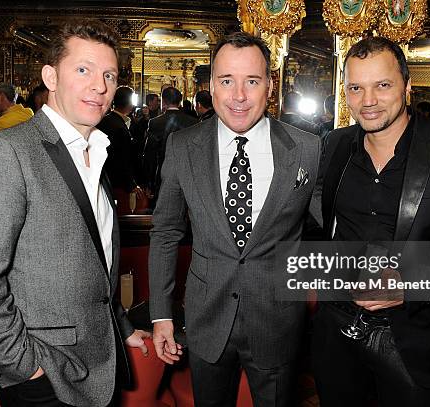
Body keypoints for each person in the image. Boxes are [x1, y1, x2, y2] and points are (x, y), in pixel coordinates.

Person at [0, 21, 149, 407]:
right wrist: (24, 368)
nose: (100, 86)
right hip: (45, 376)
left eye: (109, 75)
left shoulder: (95, 152)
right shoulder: (6, 153)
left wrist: (120, 327)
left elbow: (92, 261)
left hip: (96, 362)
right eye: (83, 70)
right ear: (50, 77)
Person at [311, 36, 430, 407]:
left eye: (382, 85)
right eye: (356, 88)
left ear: (407, 85)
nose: (368, 101)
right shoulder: (334, 145)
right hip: (335, 333)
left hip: (414, 342)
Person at [149, 31, 323, 406]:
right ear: (211, 86)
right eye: (227, 81)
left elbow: (334, 224)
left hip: (277, 321)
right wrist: (161, 314)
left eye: (252, 81)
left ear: (270, 86)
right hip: (205, 319)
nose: (239, 95)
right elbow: (165, 231)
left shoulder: (307, 149)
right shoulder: (182, 146)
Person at [142, 86, 197, 202]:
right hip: (188, 174)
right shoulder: (193, 122)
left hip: (163, 172)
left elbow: (150, 154)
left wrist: (148, 182)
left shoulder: (155, 122)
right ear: (179, 101)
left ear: (164, 101)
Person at [96, 85, 145, 200]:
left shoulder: (106, 120)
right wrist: (130, 184)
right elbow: (121, 159)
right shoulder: (118, 127)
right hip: (117, 184)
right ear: (129, 103)